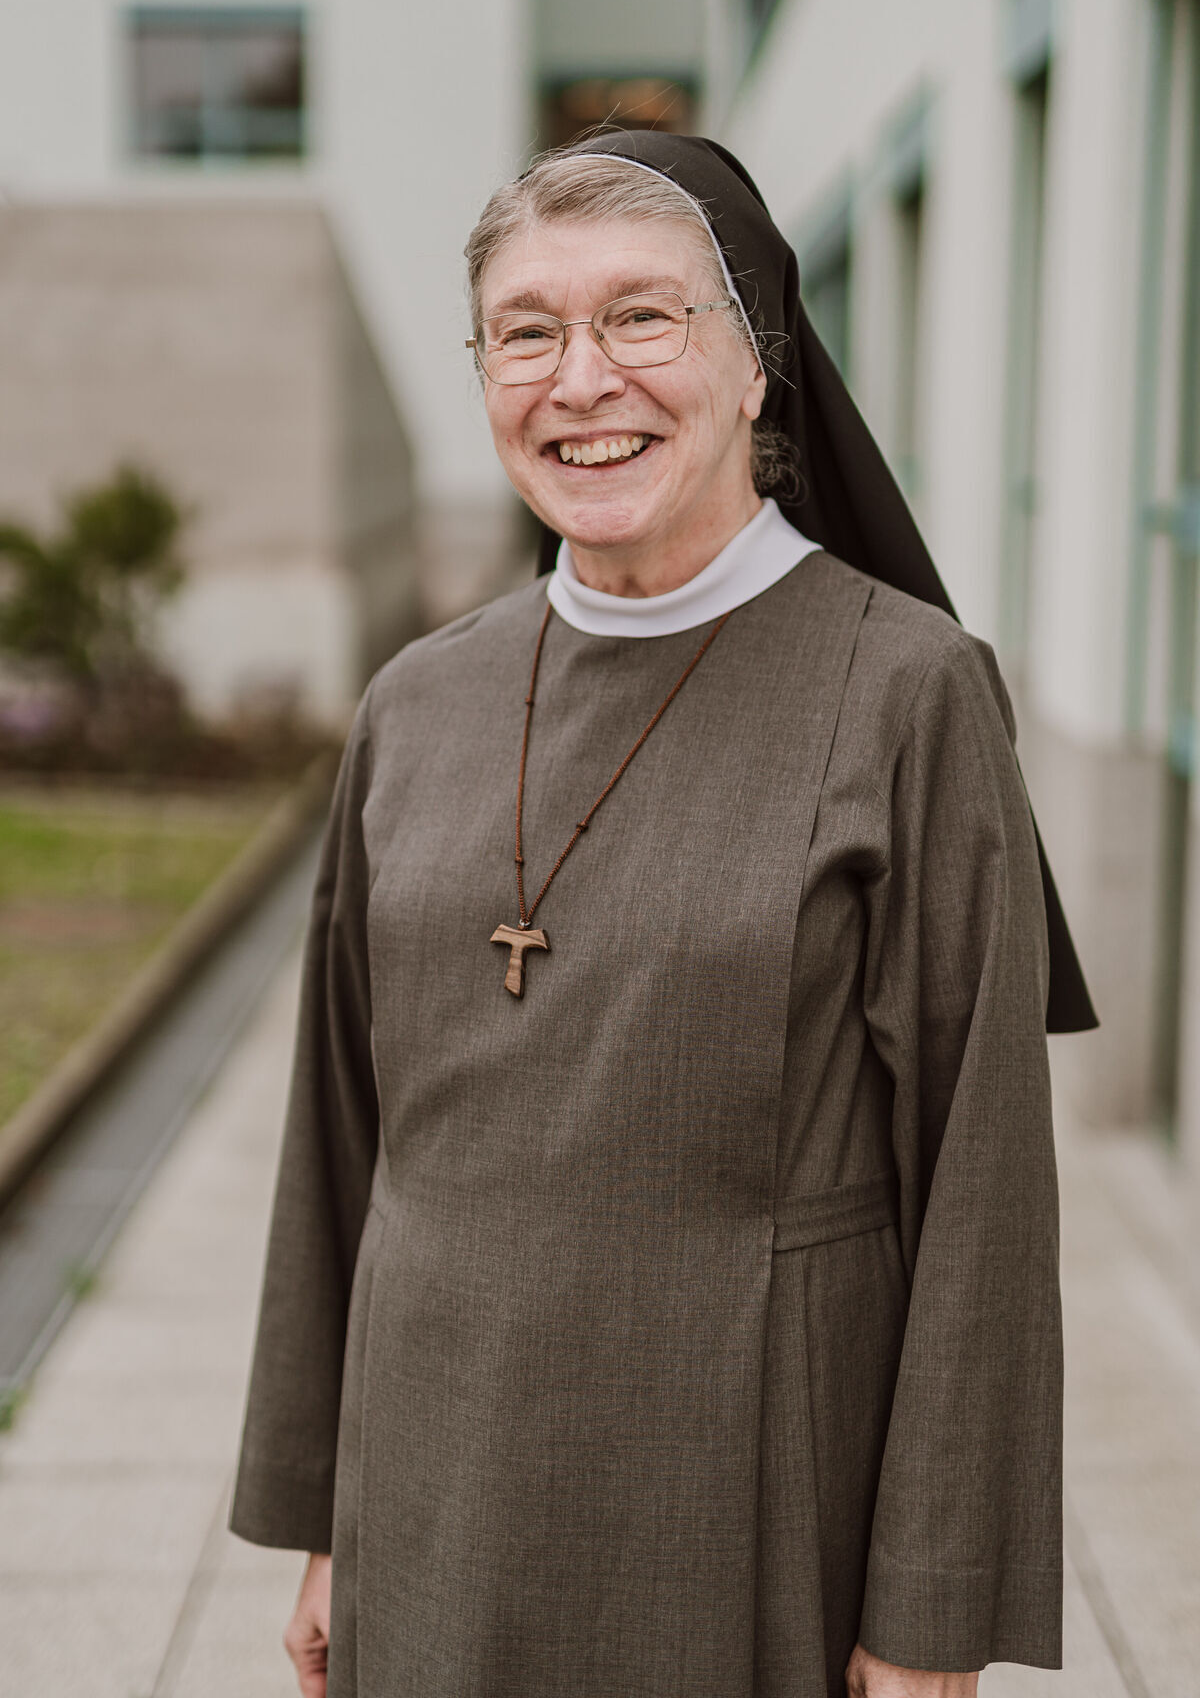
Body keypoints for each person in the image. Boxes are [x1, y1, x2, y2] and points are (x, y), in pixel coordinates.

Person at [228, 130, 1099, 1698]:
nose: (582, 380)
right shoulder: (415, 705)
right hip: (429, 1493)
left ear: (758, 366)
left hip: (754, 1496)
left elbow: (982, 1184)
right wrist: (324, 1514)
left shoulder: (908, 694)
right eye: (528, 330)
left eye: (643, 318)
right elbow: (341, 1140)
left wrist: (931, 1608)